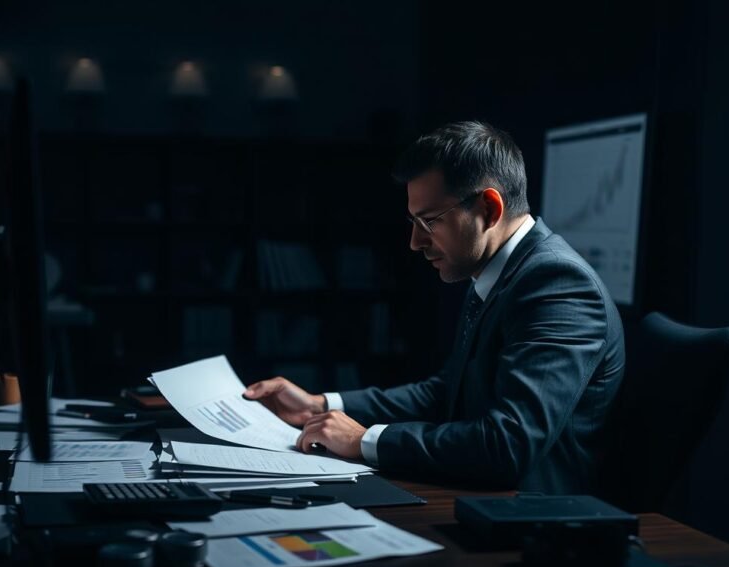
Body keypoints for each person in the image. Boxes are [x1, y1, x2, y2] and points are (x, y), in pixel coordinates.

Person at [245, 121, 625, 493]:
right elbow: (447, 392)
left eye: (429, 221)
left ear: (489, 210)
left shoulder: (558, 285)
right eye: (413, 221)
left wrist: (364, 440)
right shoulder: (497, 269)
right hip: (483, 498)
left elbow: (508, 443)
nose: (414, 242)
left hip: (533, 521)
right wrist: (320, 405)